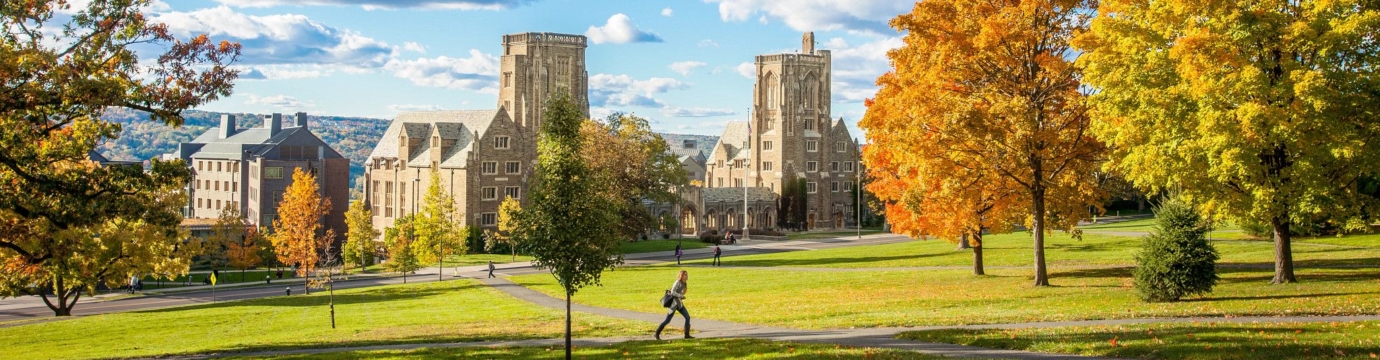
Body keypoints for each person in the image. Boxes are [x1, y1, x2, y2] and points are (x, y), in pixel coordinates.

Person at [655, 270, 692, 340]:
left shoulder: (684, 283)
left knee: (687, 317)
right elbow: (672, 292)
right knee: (667, 320)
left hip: (679, 304)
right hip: (673, 305)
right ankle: (657, 333)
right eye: (685, 275)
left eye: (687, 275)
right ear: (681, 276)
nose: (686, 276)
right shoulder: (677, 282)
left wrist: (681, 297)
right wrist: (680, 296)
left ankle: (686, 334)